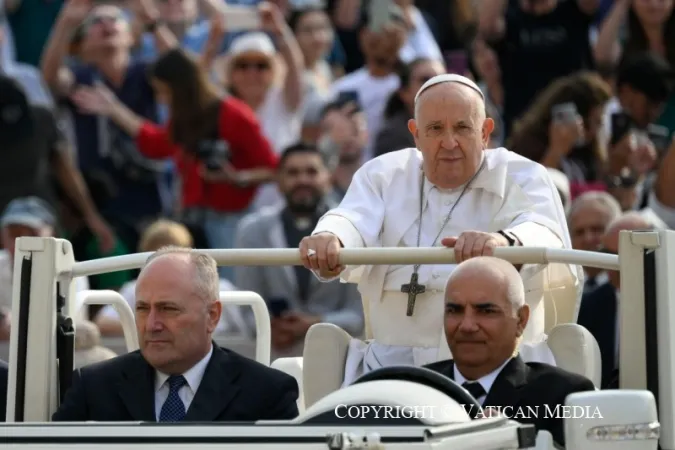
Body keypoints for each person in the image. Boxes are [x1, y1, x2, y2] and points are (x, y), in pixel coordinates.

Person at [299, 74, 581, 386]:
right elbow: (352, 218)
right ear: (416, 134)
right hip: (394, 365)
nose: (449, 143)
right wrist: (331, 239)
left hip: (495, 370)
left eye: (462, 127)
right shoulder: (384, 174)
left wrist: (502, 244)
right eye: (435, 129)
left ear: (486, 132)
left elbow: (545, 232)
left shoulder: (522, 174)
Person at [53, 247, 299, 422]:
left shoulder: (267, 393)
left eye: (168, 309)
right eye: (142, 308)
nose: (151, 324)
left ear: (212, 315)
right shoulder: (93, 388)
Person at [425, 257, 595, 447]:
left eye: (486, 311)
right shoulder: (413, 388)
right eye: (454, 310)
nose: (467, 325)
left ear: (521, 320)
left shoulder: (563, 396)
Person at [578, 212, 653, 389]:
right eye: (608, 254)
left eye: (626, 256)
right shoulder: (589, 306)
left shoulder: (668, 298)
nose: (616, 265)